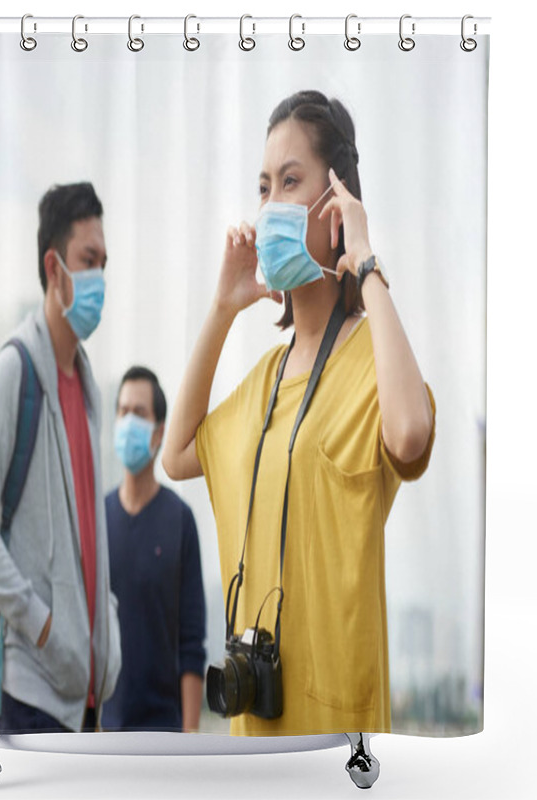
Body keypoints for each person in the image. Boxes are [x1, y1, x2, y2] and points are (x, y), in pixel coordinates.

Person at [162, 91, 436, 736]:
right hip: (254, 738)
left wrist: (365, 261)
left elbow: (410, 435)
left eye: (290, 182)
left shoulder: (375, 356)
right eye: (263, 188)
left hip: (339, 738)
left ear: (336, 201)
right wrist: (224, 307)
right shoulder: (264, 381)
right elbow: (175, 455)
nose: (269, 207)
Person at [0, 182, 121, 733]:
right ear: (54, 268)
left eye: (104, 263)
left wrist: (106, 633)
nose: (99, 278)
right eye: (87, 260)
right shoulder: (16, 370)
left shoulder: (87, 385)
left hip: (85, 694)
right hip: (35, 691)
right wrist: (42, 626)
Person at [103, 366, 206, 732]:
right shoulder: (97, 519)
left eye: (140, 413)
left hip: (164, 730)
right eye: (123, 411)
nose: (129, 420)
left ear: (159, 432)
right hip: (101, 729)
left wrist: (190, 737)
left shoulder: (179, 520)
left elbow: (192, 641)